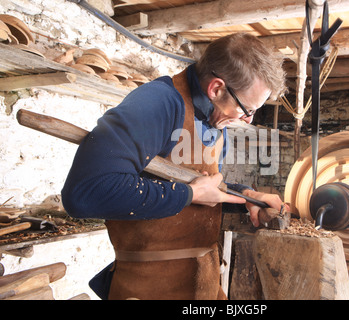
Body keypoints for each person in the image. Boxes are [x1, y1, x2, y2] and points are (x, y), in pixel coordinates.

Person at [61, 32, 287, 300]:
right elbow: (85, 193)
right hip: (147, 290)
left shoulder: (214, 121)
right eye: (246, 109)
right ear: (216, 89)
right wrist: (190, 194)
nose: (248, 120)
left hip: (202, 285)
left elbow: (202, 189)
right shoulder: (158, 103)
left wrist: (245, 197)